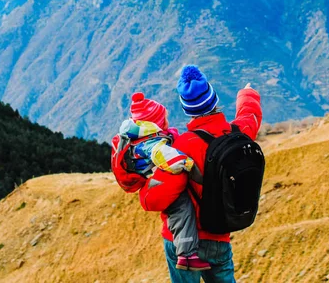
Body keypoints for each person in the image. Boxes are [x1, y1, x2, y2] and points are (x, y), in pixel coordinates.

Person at [138, 65, 262, 283]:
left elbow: (155, 198)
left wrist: (143, 187)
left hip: (183, 244)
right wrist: (247, 94)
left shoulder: (182, 146)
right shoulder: (236, 135)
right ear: (214, 100)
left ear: (187, 109)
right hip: (219, 236)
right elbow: (250, 116)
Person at [112, 92, 210, 271]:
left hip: (152, 181)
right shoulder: (152, 145)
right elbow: (171, 159)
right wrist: (189, 164)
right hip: (155, 182)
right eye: (164, 118)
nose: (167, 120)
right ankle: (187, 255)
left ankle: (185, 252)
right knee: (182, 207)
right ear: (154, 123)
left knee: (178, 208)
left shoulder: (142, 137)